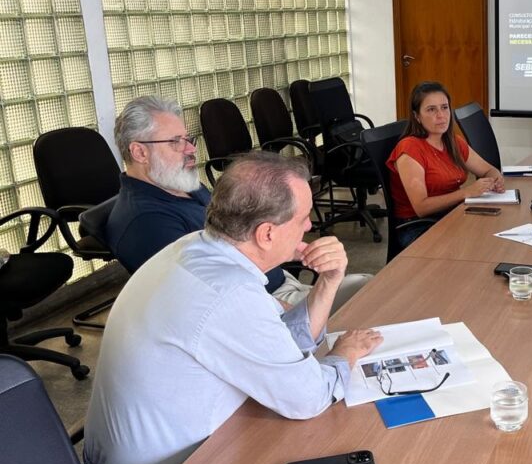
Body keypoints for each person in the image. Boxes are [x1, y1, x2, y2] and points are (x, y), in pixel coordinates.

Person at [84, 152, 383, 464]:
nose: (310, 226)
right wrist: (344, 355)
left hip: (128, 455)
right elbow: (308, 399)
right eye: (302, 218)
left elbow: (284, 342)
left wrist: (328, 281)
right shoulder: (227, 292)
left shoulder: (197, 249)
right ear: (267, 234)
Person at [105, 96, 369, 313]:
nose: (190, 150)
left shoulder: (182, 184)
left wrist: (297, 250)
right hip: (263, 305)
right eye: (176, 142)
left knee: (368, 290)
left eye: (187, 139)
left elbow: (240, 237)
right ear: (139, 152)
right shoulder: (146, 224)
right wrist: (294, 316)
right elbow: (213, 296)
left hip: (275, 282)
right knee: (368, 307)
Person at [387, 82, 504, 247]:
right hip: (418, 226)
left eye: (444, 107)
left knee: (495, 234)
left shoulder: (452, 141)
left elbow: (489, 169)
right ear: (417, 116)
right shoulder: (409, 148)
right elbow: (421, 207)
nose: (441, 115)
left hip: (451, 215)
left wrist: (495, 179)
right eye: (431, 109)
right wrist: (468, 192)